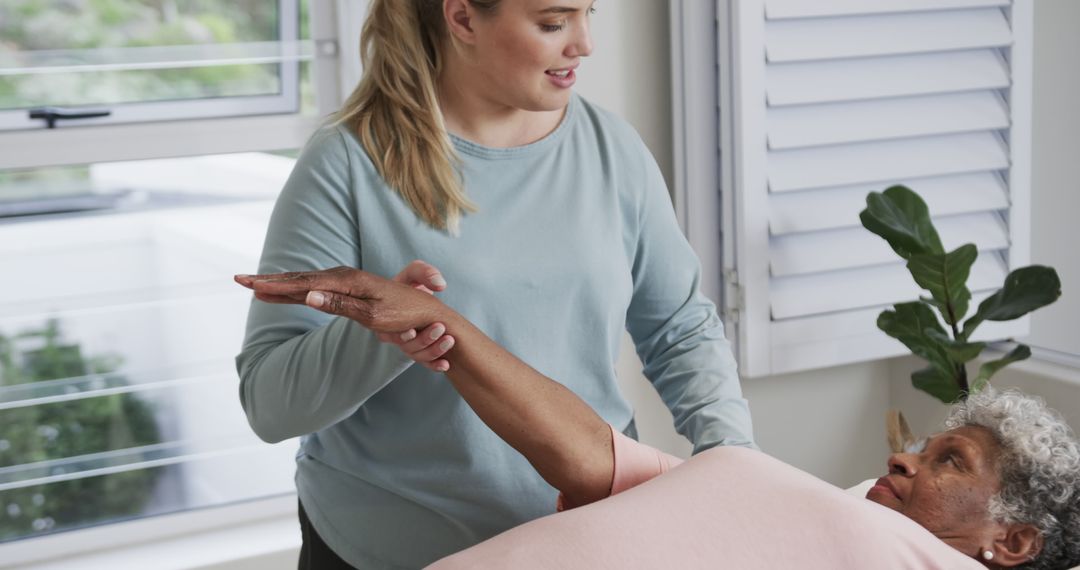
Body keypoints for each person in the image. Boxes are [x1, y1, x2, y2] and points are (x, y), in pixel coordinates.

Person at [234, 0, 754, 567]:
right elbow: (269, 405)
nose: (583, 43)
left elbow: (678, 327)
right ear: (462, 19)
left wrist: (734, 459)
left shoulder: (613, 150)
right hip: (393, 551)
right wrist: (381, 330)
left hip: (583, 537)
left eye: (588, 14)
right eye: (553, 23)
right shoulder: (348, 162)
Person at [238, 268, 1080, 570]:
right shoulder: (814, 515)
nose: (905, 461)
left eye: (950, 463)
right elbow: (591, 459)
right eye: (925, 448)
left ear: (1011, 543)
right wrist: (440, 325)